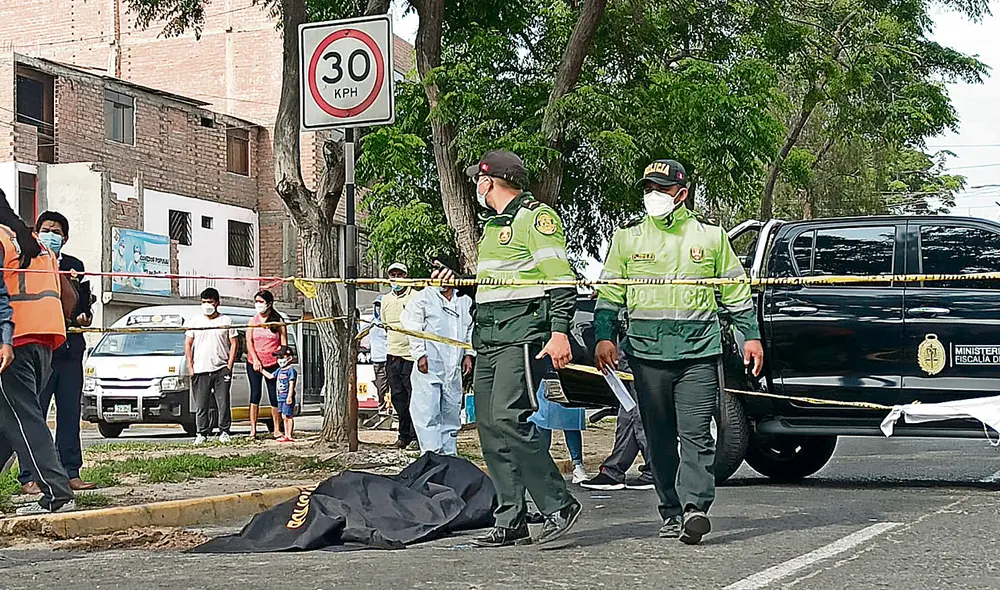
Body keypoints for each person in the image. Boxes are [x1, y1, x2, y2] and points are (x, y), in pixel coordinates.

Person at [593, 159, 764, 545]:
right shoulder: (628, 238)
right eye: (648, 188)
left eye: (661, 188)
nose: (653, 195)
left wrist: (749, 335)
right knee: (659, 438)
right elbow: (608, 296)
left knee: (698, 435)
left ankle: (694, 509)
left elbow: (735, 292)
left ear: (682, 193)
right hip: (647, 354)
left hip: (698, 353)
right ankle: (670, 509)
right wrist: (604, 337)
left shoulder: (711, 237)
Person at [454, 150, 582, 547]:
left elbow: (561, 279)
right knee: (490, 425)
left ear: (489, 181)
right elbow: (498, 286)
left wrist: (559, 332)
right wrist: (459, 281)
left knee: (510, 417)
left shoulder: (536, 219)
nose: (477, 185)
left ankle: (558, 503)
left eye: (479, 179)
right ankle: (511, 517)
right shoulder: (492, 227)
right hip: (490, 335)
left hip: (521, 333)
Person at [0, 193, 78, 514]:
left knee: (24, 420)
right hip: (45, 344)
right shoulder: (37, 244)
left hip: (12, 343)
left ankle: (56, 493)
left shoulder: (2, 241)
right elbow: (68, 299)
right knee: (9, 422)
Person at [17, 211, 97, 494]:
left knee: (69, 413)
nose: (53, 235)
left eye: (58, 231)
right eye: (47, 229)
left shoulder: (74, 266)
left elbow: (82, 303)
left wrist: (84, 315)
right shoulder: (27, 260)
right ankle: (29, 476)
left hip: (69, 350)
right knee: (34, 415)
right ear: (36, 232)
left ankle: (70, 472)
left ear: (65, 237)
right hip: (38, 348)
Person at [401, 276, 475, 456]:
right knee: (427, 411)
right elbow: (412, 326)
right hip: (430, 364)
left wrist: (469, 354)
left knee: (451, 412)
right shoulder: (424, 298)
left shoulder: (464, 300)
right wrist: (420, 354)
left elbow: (469, 329)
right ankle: (431, 456)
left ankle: (449, 456)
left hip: (454, 365)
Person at [581, 355, 655, 491]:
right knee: (629, 415)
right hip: (629, 354)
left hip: (640, 352)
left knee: (639, 415)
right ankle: (616, 470)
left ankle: (656, 469)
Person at [185, 288, 238, 445]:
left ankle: (224, 431)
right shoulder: (195, 321)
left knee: (223, 402)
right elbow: (188, 343)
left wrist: (229, 365)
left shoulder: (225, 321)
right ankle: (201, 432)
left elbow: (234, 343)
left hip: (221, 368)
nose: (207, 305)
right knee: (201, 404)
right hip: (200, 369)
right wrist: (190, 366)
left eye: (210, 302)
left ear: (217, 303)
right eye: (204, 302)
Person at [381, 262, 418, 449]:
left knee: (414, 398)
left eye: (400, 274)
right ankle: (403, 435)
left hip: (411, 356)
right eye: (392, 274)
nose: (396, 278)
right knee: (398, 397)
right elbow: (386, 324)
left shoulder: (416, 297)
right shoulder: (386, 299)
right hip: (393, 354)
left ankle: (415, 436)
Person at [246, 290, 287, 439]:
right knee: (255, 394)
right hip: (254, 363)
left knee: (274, 396)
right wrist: (256, 360)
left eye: (261, 302)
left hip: (273, 363)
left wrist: (279, 358)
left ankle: (276, 428)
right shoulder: (252, 321)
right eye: (256, 301)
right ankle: (253, 429)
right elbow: (249, 343)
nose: (258, 305)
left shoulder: (278, 321)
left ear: (269, 304)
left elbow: (284, 344)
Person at [529, 383, 588, 484]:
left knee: (571, 421)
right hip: (544, 376)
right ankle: (540, 465)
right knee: (542, 421)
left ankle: (578, 465)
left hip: (567, 375)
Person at [271, 346, 297, 442]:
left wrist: (289, 396)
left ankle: (289, 435)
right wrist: (261, 370)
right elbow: (271, 376)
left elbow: (291, 384)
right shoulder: (279, 370)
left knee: (288, 416)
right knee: (283, 416)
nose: (279, 360)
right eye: (278, 357)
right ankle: (286, 434)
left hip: (287, 397)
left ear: (289, 357)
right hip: (280, 397)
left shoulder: (291, 371)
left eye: (281, 357)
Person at [370, 297, 389, 410]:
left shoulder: (389, 321)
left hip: (389, 357)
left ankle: (389, 408)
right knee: (380, 385)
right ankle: (382, 405)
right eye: (377, 306)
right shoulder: (371, 321)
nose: (379, 308)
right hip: (377, 358)